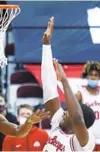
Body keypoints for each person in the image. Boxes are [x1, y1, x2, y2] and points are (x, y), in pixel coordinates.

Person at [42, 17, 95, 151]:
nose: (64, 112)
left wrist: (64, 81)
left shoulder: (84, 142)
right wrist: (46, 46)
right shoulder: (58, 124)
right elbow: (49, 88)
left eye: (68, 112)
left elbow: (77, 118)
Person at [75, 61, 100, 151]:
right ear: (86, 76)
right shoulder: (80, 94)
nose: (93, 77)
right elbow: (72, 115)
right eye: (91, 75)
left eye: (96, 75)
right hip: (88, 140)